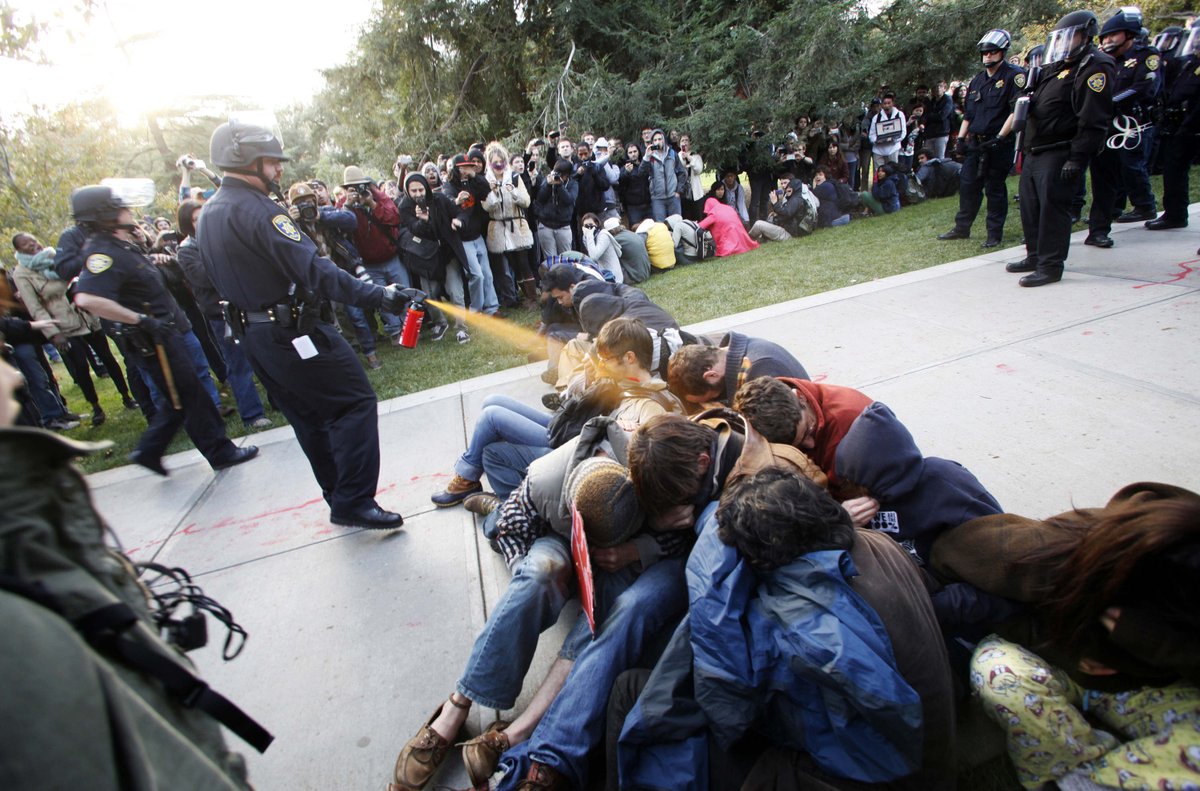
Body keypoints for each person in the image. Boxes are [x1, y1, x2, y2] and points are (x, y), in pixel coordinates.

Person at [197, 119, 412, 529]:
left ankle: (338, 495)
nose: (279, 169)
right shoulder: (261, 211)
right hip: (291, 331)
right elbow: (316, 270)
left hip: (256, 336)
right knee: (354, 401)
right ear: (246, 161)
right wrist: (378, 295)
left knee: (308, 417)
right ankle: (353, 499)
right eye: (271, 161)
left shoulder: (210, 212)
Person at [932, 482, 1200, 791]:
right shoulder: (1058, 551)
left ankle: (1100, 775)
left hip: (1143, 684)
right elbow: (951, 554)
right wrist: (1073, 654)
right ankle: (1071, 773)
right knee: (1001, 676)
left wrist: (1163, 649)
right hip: (1046, 656)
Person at [69, 184, 258, 476]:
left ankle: (150, 450)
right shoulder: (102, 252)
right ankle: (218, 452)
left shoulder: (122, 245)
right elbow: (86, 299)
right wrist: (138, 319)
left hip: (165, 332)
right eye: (120, 207)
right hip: (152, 339)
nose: (128, 210)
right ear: (104, 215)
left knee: (181, 397)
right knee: (189, 396)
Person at [1007, 10, 1114, 287]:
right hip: (1035, 148)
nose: (1065, 44)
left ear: (1086, 36)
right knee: (1031, 208)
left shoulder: (1094, 67)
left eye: (1071, 37)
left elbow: (1093, 119)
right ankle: (1035, 256)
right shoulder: (1056, 66)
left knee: (1053, 210)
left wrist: (1077, 158)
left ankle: (1050, 265)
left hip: (1060, 150)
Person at [10, 233, 136, 425]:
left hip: (87, 316)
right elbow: (35, 307)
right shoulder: (22, 273)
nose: (33, 244)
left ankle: (126, 396)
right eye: (26, 244)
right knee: (81, 367)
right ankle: (96, 406)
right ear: (19, 250)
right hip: (63, 325)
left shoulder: (55, 257)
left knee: (108, 357)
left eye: (34, 240)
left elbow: (82, 275)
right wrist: (54, 333)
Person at [174, 200, 272, 426]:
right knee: (238, 365)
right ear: (187, 224)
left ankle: (278, 400)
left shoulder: (219, 239)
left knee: (263, 357)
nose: (202, 222)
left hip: (245, 304)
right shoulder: (187, 250)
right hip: (220, 314)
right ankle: (252, 414)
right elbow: (203, 278)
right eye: (196, 219)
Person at [938, 29, 1026, 249]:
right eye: (985, 53)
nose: (988, 56)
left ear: (1002, 52)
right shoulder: (977, 80)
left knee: (994, 188)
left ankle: (994, 233)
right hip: (976, 143)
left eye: (992, 52)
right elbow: (969, 114)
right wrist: (961, 139)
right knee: (968, 185)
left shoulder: (1014, 76)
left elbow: (1015, 110)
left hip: (998, 143)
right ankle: (962, 228)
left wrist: (1000, 136)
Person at [1084, 8, 1161, 248]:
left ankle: (1145, 205)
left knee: (1131, 166)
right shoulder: (1102, 61)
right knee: (1103, 178)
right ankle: (1099, 227)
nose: (1107, 40)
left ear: (1129, 34)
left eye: (1113, 35)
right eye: (1105, 37)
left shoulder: (1146, 56)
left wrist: (1108, 103)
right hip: (1105, 125)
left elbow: (1143, 87)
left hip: (1133, 124)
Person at [339, 166, 410, 343]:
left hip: (391, 258)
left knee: (405, 293)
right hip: (369, 263)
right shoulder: (343, 204)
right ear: (346, 189)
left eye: (359, 186)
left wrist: (372, 203)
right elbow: (340, 227)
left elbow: (394, 218)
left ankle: (409, 329)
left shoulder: (378, 196)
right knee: (383, 299)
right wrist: (348, 206)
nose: (357, 191)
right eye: (352, 188)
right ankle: (395, 331)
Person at [1146, 26, 1200, 232]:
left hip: (1193, 125)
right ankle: (1175, 214)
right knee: (1173, 170)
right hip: (1180, 126)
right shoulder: (1190, 62)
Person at [667, 331, 808, 407]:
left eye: (711, 397)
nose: (713, 400)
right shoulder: (739, 354)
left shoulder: (760, 370)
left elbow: (779, 426)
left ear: (711, 375)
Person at [443, 154, 501, 317]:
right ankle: (476, 310)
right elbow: (446, 205)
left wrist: (474, 175)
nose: (466, 170)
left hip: (477, 235)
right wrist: (456, 201)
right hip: (463, 240)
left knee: (487, 274)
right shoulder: (449, 186)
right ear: (456, 169)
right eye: (463, 167)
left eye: (469, 166)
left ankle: (492, 308)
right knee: (476, 275)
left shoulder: (473, 182)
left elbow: (486, 191)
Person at [483, 142, 539, 308]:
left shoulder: (514, 177)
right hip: (499, 227)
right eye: (495, 162)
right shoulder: (486, 181)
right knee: (513, 264)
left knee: (523, 262)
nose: (499, 165)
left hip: (516, 224)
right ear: (490, 163)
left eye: (501, 161)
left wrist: (513, 192)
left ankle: (532, 297)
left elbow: (526, 201)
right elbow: (486, 206)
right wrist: (493, 193)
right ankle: (524, 295)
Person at [747, 175, 819, 241]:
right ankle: (758, 239)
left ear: (794, 187)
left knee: (758, 224)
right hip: (794, 232)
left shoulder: (796, 199)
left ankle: (747, 241)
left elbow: (786, 213)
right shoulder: (799, 197)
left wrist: (775, 203)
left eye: (788, 187)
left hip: (790, 235)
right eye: (782, 184)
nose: (785, 187)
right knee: (770, 219)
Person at [638, 129, 687, 221]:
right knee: (660, 225)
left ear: (664, 140)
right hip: (657, 198)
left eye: (660, 139)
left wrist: (678, 191)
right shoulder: (650, 156)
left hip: (673, 196)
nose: (658, 142)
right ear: (652, 142)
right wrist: (646, 157)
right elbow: (641, 173)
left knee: (676, 223)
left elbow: (682, 173)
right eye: (655, 140)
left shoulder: (672, 153)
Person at [580, 212, 623, 284]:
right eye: (586, 226)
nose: (588, 228)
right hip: (602, 273)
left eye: (591, 225)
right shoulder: (587, 237)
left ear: (596, 224)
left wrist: (589, 235)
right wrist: (588, 236)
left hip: (614, 277)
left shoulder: (603, 235)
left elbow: (594, 256)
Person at [868, 92, 907, 170]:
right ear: (882, 105)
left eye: (889, 103)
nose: (887, 105)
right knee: (878, 172)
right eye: (885, 103)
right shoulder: (876, 117)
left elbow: (903, 132)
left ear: (893, 103)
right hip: (878, 150)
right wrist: (876, 141)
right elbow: (871, 134)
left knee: (893, 171)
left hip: (893, 148)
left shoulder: (899, 115)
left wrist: (894, 139)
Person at [618, 144, 652, 226]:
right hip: (633, 207)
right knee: (635, 229)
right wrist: (627, 172)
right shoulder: (624, 168)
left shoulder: (644, 164)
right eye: (630, 152)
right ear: (627, 154)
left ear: (638, 152)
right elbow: (621, 182)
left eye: (635, 151)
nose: (633, 154)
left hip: (648, 204)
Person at [678, 134, 705, 221]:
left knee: (698, 218)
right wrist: (683, 158)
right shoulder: (677, 156)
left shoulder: (696, 157)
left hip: (696, 193)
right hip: (683, 193)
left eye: (686, 140)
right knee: (686, 218)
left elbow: (698, 170)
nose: (684, 142)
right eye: (682, 141)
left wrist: (690, 159)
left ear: (690, 143)